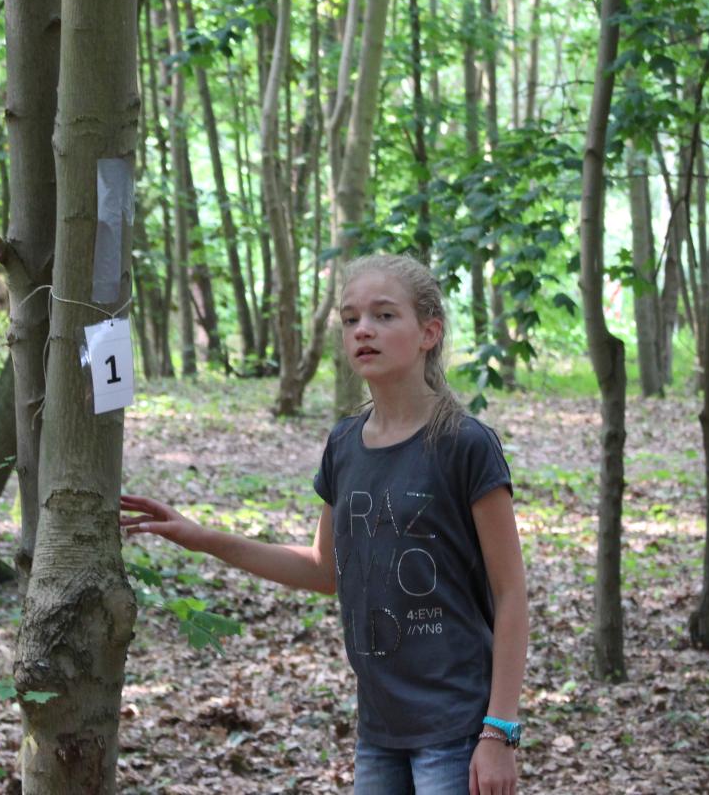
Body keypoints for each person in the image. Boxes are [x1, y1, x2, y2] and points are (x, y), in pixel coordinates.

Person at [121, 254, 529, 795]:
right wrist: (202, 538)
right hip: (379, 729)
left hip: (457, 728)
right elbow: (322, 569)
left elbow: (511, 592)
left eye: (384, 315)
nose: (363, 329)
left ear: (429, 332)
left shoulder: (465, 444)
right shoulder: (344, 444)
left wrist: (498, 731)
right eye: (350, 318)